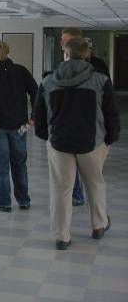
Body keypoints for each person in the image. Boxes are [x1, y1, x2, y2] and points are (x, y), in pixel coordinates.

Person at [33, 37, 120, 250]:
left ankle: (62, 236)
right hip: (92, 143)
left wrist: (47, 136)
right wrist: (110, 139)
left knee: (61, 189)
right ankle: (99, 225)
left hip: (59, 144)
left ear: (65, 54)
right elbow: (111, 114)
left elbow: (39, 116)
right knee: (95, 184)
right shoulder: (100, 80)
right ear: (86, 54)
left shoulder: (48, 81)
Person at [0, 40, 37, 212]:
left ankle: (4, 202)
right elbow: (36, 91)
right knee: (20, 163)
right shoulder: (21, 71)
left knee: (1, 164)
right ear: (8, 52)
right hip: (20, 126)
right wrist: (34, 117)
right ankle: (24, 200)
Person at [60, 28, 111, 205]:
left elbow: (107, 98)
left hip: (93, 126)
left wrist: (109, 135)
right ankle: (77, 195)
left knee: (93, 172)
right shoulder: (63, 67)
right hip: (69, 126)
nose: (62, 43)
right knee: (69, 166)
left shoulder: (98, 66)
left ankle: (96, 207)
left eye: (65, 40)